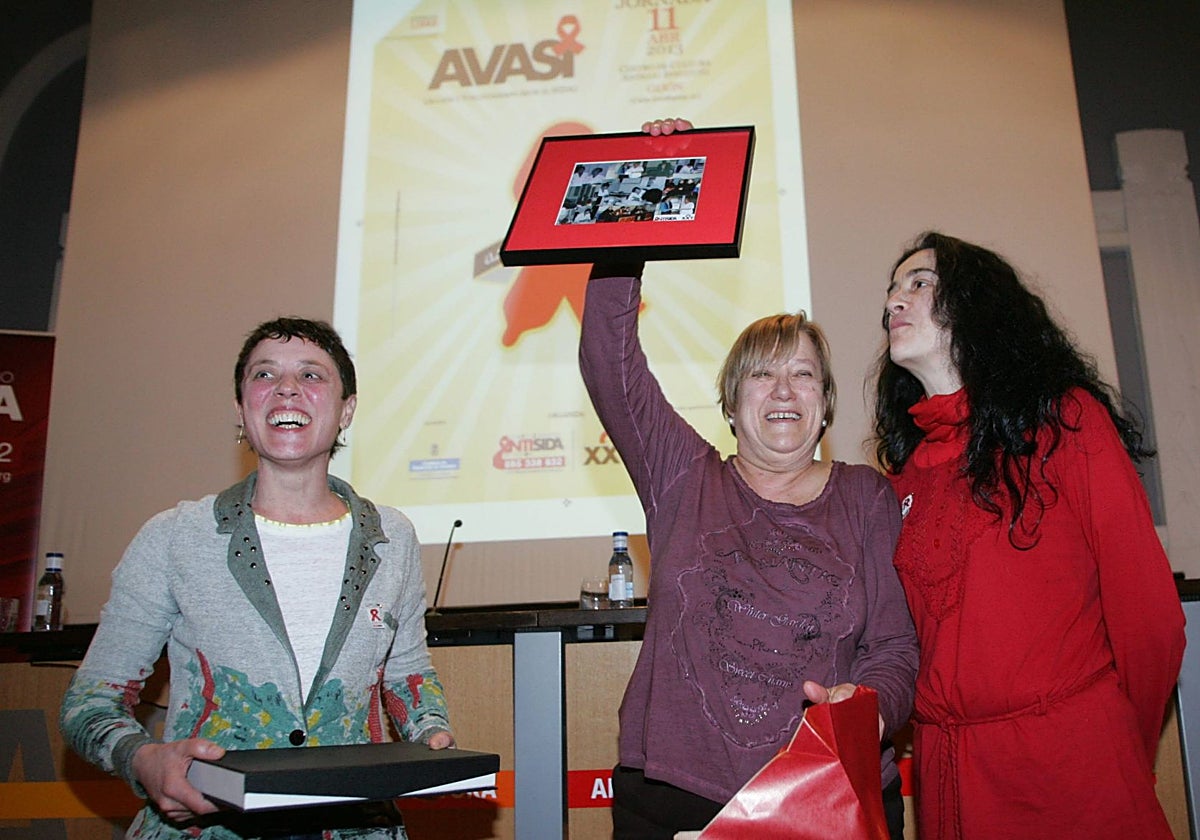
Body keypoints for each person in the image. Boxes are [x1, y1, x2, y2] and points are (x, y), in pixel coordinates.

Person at [581, 117, 918, 840]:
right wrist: (648, 186)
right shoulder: (682, 475)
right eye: (762, 375)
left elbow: (895, 647)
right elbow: (609, 360)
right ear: (731, 405)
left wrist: (869, 706)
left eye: (804, 374)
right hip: (674, 794)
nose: (785, 390)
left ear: (826, 405)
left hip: (827, 789)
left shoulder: (866, 498)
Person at [60, 317, 454, 840]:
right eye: (264, 375)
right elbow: (90, 701)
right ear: (241, 409)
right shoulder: (175, 537)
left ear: (347, 410)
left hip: (353, 827)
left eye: (312, 376)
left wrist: (432, 732)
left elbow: (408, 673)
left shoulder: (392, 537)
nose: (287, 387)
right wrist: (143, 759)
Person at [873, 231, 1186, 840]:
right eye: (890, 291)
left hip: (1070, 770)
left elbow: (1152, 623)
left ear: (977, 306)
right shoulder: (903, 476)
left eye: (918, 284)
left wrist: (1114, 743)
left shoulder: (1065, 422)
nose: (893, 303)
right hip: (951, 783)